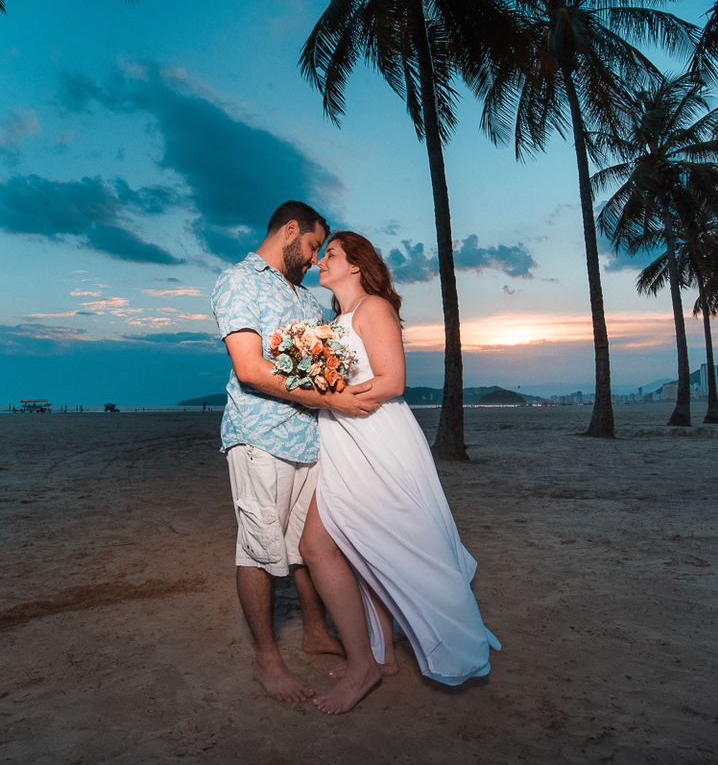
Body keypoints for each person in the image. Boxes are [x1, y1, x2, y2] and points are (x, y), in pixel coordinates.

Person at [299, 231, 501, 714]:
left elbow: (393, 381)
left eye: (330, 255)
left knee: (348, 541)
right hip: (344, 440)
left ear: (355, 265)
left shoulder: (373, 308)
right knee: (365, 541)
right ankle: (382, 653)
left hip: (376, 437)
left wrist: (331, 397)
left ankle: (376, 658)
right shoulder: (336, 319)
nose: (320, 261)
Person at [211, 201, 380, 703]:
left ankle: (314, 631)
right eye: (310, 247)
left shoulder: (307, 300)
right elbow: (250, 369)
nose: (312, 260)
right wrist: (334, 398)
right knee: (259, 551)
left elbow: (331, 361)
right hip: (260, 437)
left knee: (306, 550)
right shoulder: (239, 281)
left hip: (313, 439)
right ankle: (267, 661)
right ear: (289, 230)